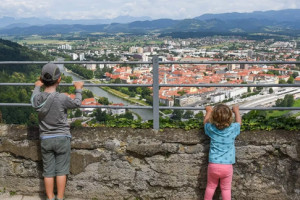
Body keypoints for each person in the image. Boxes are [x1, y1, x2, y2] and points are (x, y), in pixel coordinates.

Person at [31, 63, 84, 200]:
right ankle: (59, 197)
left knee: (48, 171)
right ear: (59, 80)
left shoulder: (38, 99)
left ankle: (50, 197)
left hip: (46, 138)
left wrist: (37, 86)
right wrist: (78, 89)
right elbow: (77, 103)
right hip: (62, 137)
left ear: (42, 80)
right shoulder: (62, 97)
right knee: (61, 170)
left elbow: (33, 98)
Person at [203, 104, 241, 200]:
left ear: (214, 117)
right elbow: (239, 122)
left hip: (213, 165)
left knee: (210, 186)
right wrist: (236, 111)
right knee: (226, 189)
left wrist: (208, 111)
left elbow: (205, 123)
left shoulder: (211, 129)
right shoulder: (233, 129)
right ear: (229, 117)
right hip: (227, 166)